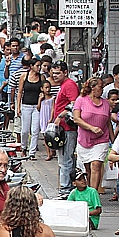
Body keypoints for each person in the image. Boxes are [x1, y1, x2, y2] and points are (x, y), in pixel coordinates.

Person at [73, 77, 113, 191]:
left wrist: (113, 140)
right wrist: (91, 128)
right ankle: (89, 190)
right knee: (88, 169)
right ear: (92, 88)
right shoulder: (81, 100)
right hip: (85, 140)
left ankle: (93, 194)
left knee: (96, 165)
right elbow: (76, 119)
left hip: (101, 140)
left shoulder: (105, 103)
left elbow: (108, 123)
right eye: (100, 87)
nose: (102, 90)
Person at [49, 61, 79, 197]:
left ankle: (66, 189)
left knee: (66, 159)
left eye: (58, 73)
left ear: (65, 72)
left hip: (68, 128)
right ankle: (65, 187)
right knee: (63, 159)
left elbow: (74, 103)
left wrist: (61, 115)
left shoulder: (70, 85)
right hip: (62, 128)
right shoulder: (63, 85)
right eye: (53, 73)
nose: (54, 76)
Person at [16, 58, 45, 159]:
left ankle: (32, 152)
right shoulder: (24, 76)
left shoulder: (41, 77)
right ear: (31, 66)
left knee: (35, 130)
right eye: (37, 66)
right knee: (24, 130)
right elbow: (19, 92)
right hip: (26, 105)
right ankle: (23, 147)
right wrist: (18, 106)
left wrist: (41, 99)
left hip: (37, 106)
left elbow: (44, 90)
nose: (39, 68)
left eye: (40, 66)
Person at [38, 81, 55, 160]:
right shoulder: (41, 98)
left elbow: (53, 108)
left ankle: (52, 150)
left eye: (49, 87)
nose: (48, 89)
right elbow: (38, 108)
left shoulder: (52, 98)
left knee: (52, 135)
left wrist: (51, 118)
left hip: (49, 118)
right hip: (43, 118)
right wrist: (39, 100)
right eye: (46, 88)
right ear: (42, 88)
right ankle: (48, 154)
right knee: (45, 137)